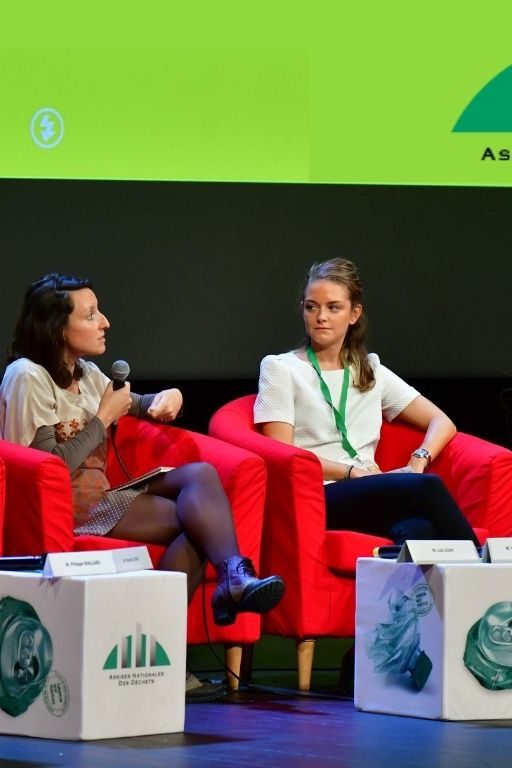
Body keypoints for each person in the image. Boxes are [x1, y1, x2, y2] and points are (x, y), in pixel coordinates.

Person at [0, 273, 285, 702]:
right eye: (91, 314)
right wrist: (102, 420)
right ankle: (168, 650)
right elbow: (51, 468)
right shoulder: (28, 376)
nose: (105, 322)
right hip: (64, 509)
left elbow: (137, 403)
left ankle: (231, 576)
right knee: (197, 524)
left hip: (99, 498)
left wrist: (163, 398)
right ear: (59, 328)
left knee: (201, 477)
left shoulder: (87, 373)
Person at [254, 257, 479, 546]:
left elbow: (442, 422)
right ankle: (489, 576)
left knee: (417, 529)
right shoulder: (280, 368)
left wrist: (419, 457)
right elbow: (283, 455)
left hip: (369, 489)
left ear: (354, 314)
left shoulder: (369, 369)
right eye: (312, 307)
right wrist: (352, 472)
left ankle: (410, 592)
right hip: (317, 493)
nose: (321, 316)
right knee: (426, 486)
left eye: (333, 307)